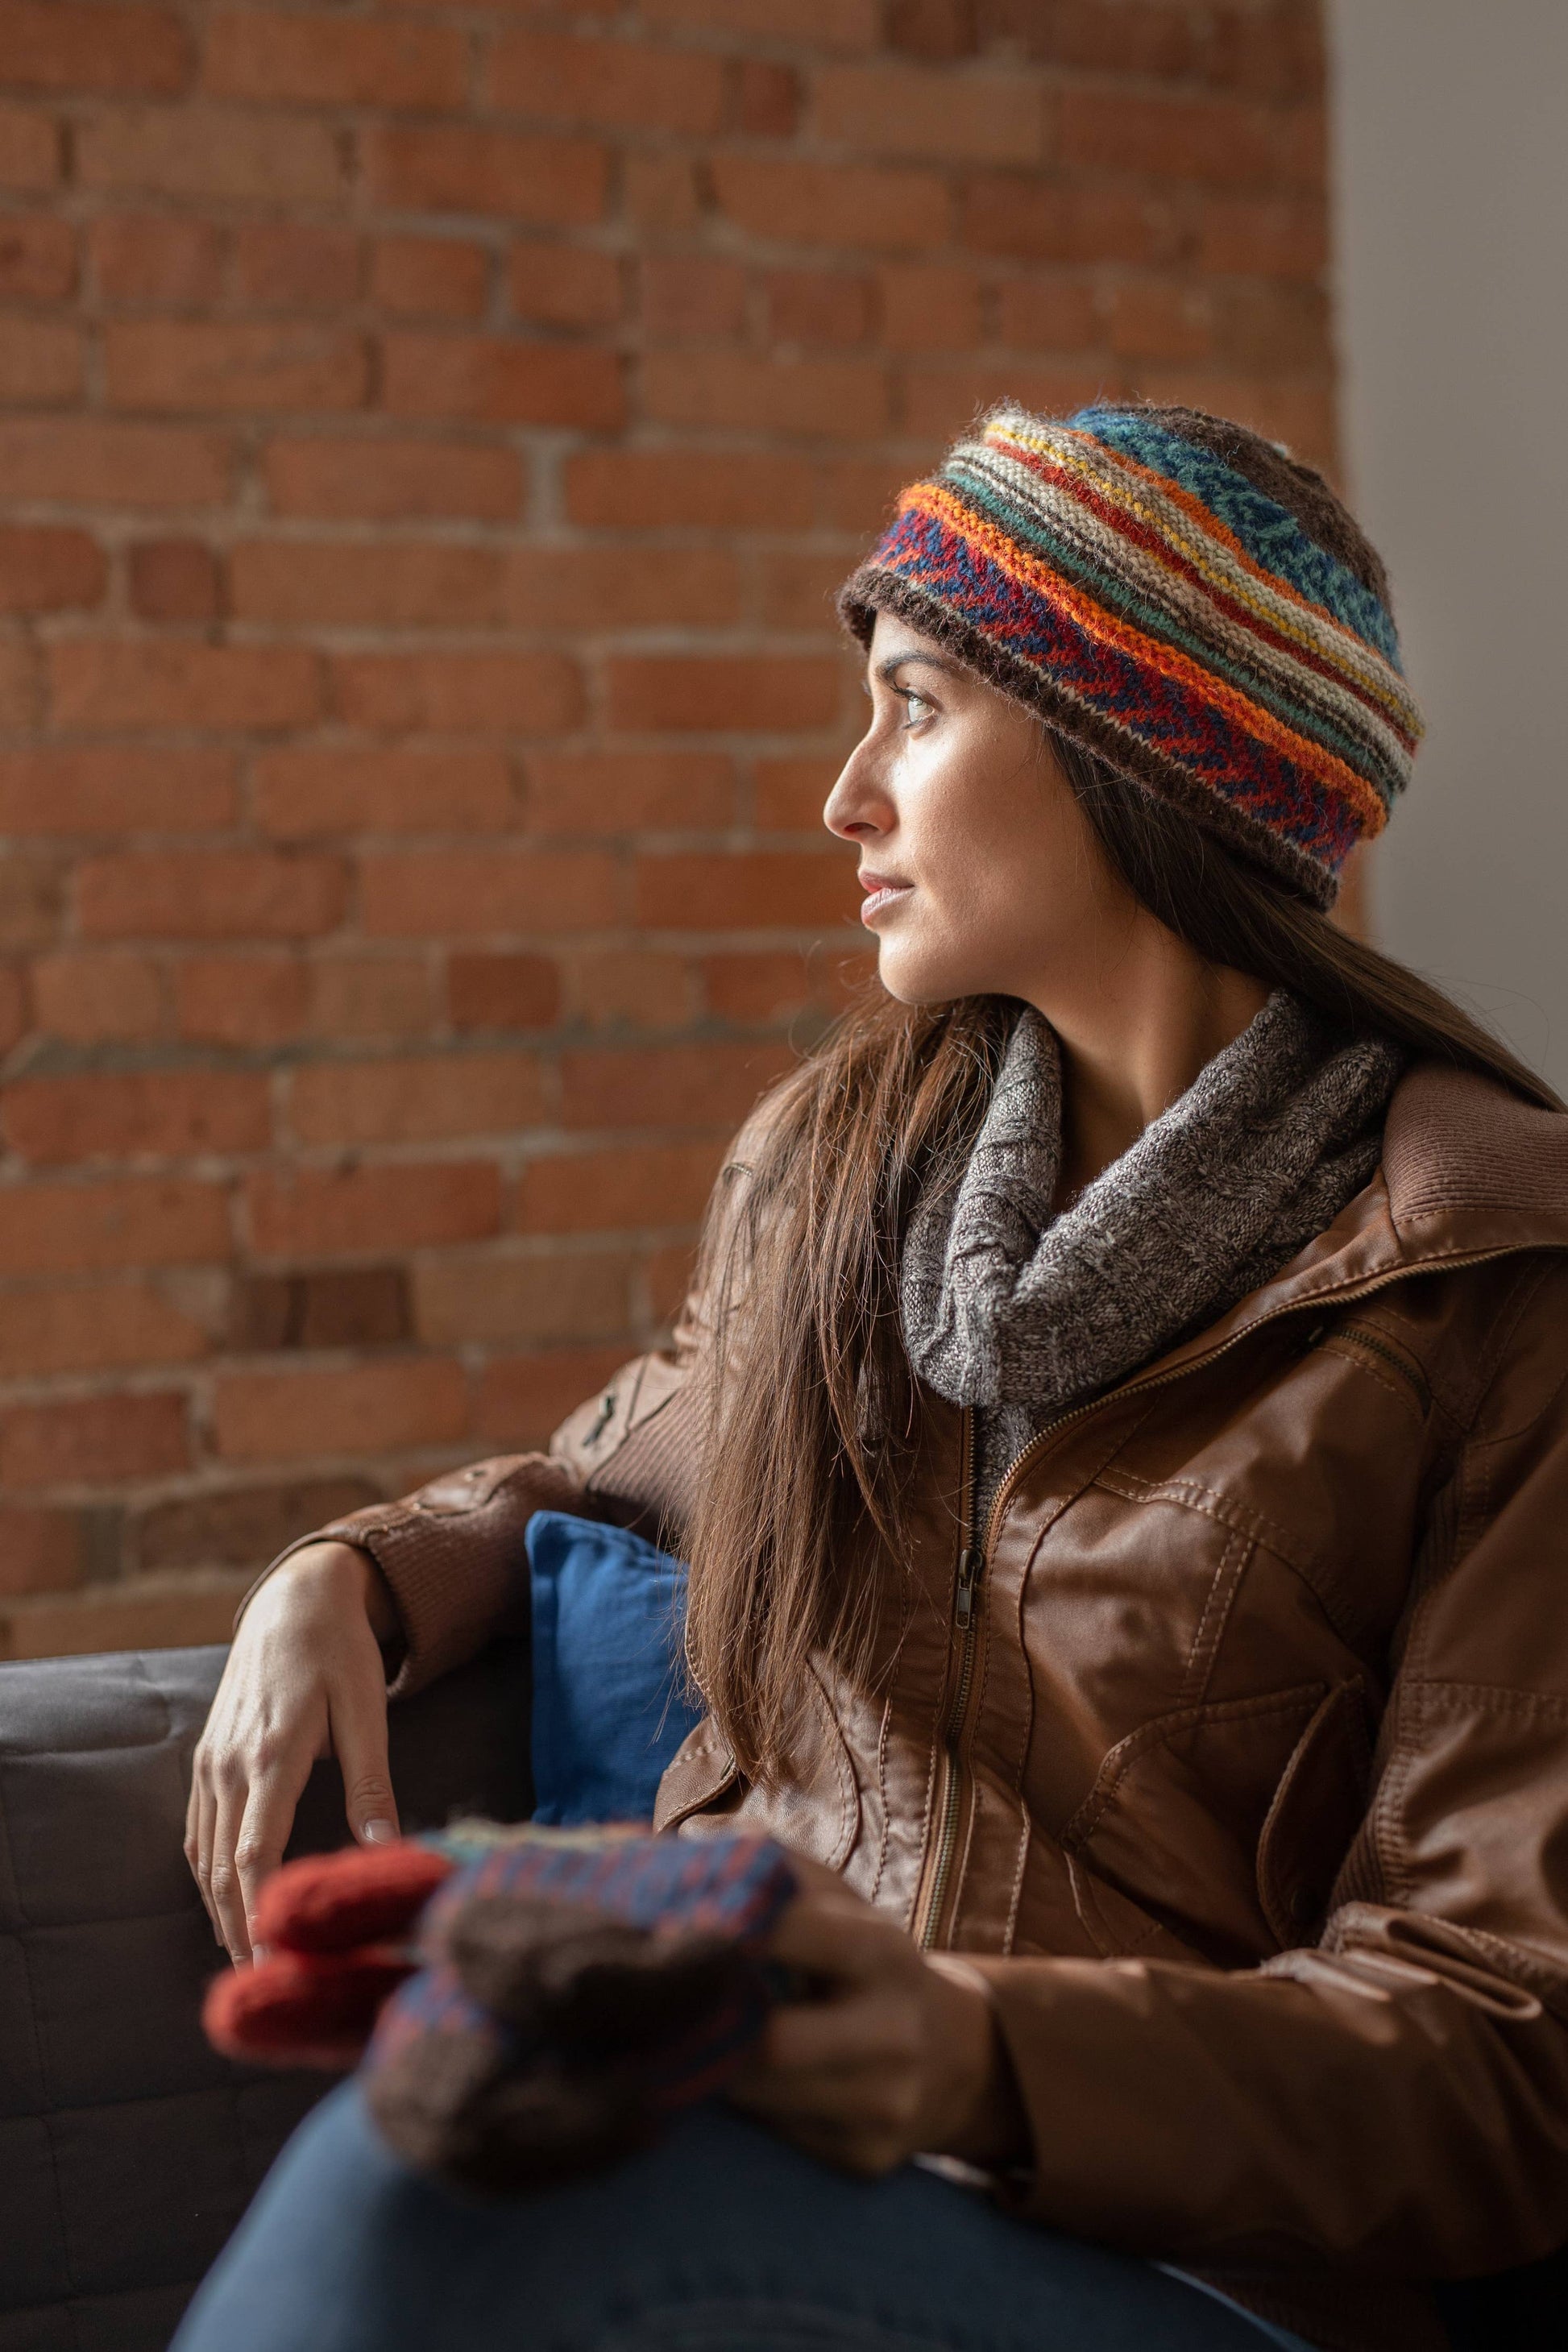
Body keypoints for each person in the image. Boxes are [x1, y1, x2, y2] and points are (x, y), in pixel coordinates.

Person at [176, 404, 1568, 2352]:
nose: (846, 791)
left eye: (913, 706)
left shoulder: (1494, 1275)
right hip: (791, 2183)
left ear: (1136, 746)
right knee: (460, 2125)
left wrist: (962, 2051)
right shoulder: (835, 1180)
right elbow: (619, 1455)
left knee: (440, 2183)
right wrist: (352, 1572)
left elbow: (1504, 2043)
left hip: (1213, 2280)